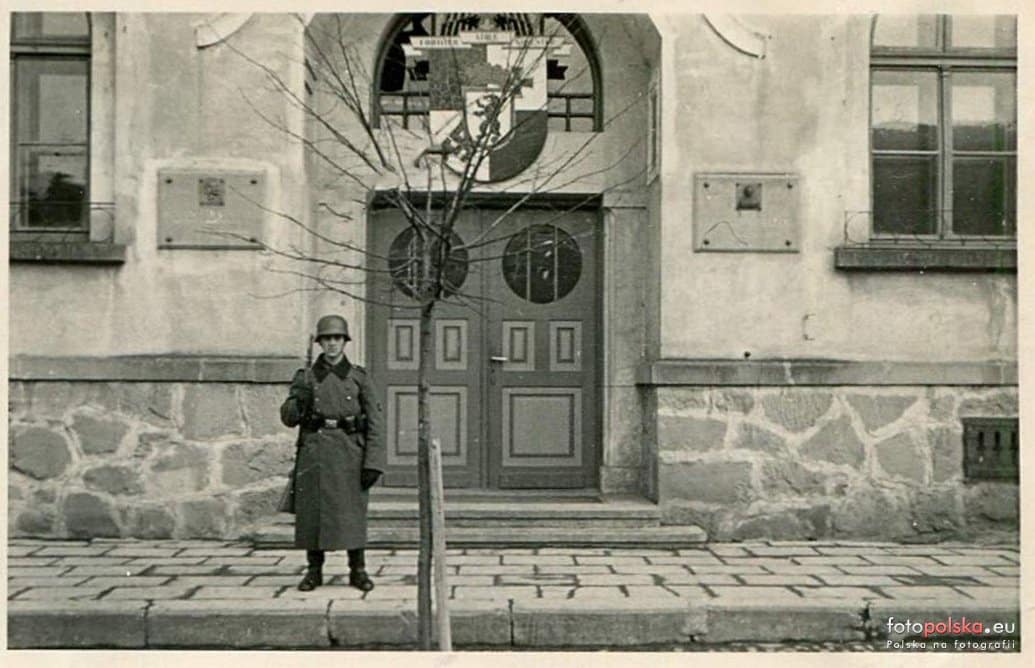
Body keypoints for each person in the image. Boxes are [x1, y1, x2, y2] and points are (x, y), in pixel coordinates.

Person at [280, 314, 386, 592]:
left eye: (337, 338)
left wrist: (373, 462)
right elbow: (289, 419)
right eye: (326, 339)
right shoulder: (305, 377)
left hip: (350, 453)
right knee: (312, 514)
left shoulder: (359, 377)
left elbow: (375, 422)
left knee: (352, 514)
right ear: (319, 343)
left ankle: (358, 570)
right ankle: (314, 571)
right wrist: (297, 399)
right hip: (314, 452)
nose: (332, 344)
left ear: (345, 341)